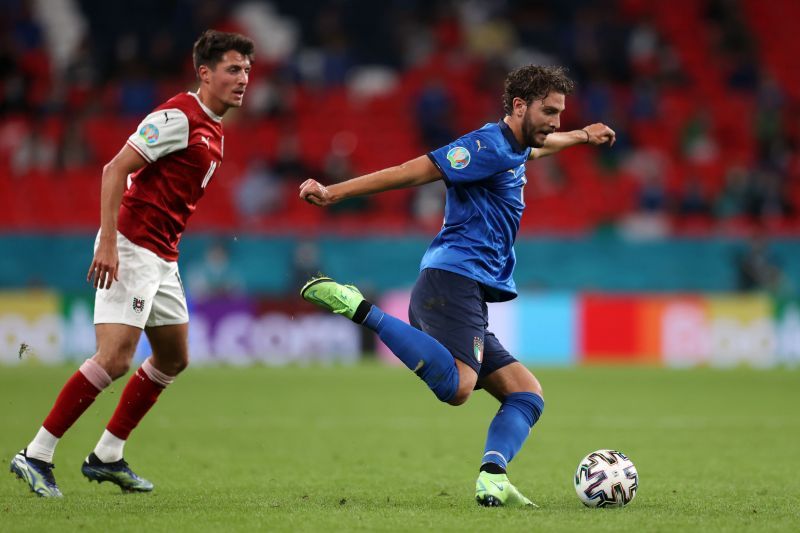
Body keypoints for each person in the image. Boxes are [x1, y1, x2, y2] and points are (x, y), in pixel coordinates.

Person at [299, 65, 615, 507]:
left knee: (525, 393)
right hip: (452, 278)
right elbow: (412, 170)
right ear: (519, 106)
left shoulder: (518, 145)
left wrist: (582, 136)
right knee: (459, 389)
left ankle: (493, 476)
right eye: (549, 111)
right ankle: (360, 308)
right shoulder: (485, 145)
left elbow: (539, 149)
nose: (555, 122)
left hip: (468, 288)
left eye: (560, 113)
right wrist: (334, 193)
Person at [9, 30, 254, 497]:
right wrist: (108, 243)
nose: (243, 79)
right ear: (205, 74)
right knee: (116, 358)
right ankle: (35, 453)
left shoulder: (214, 127)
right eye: (232, 70)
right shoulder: (178, 116)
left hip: (163, 255)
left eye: (246, 70)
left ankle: (106, 455)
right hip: (133, 247)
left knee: (173, 357)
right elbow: (114, 169)